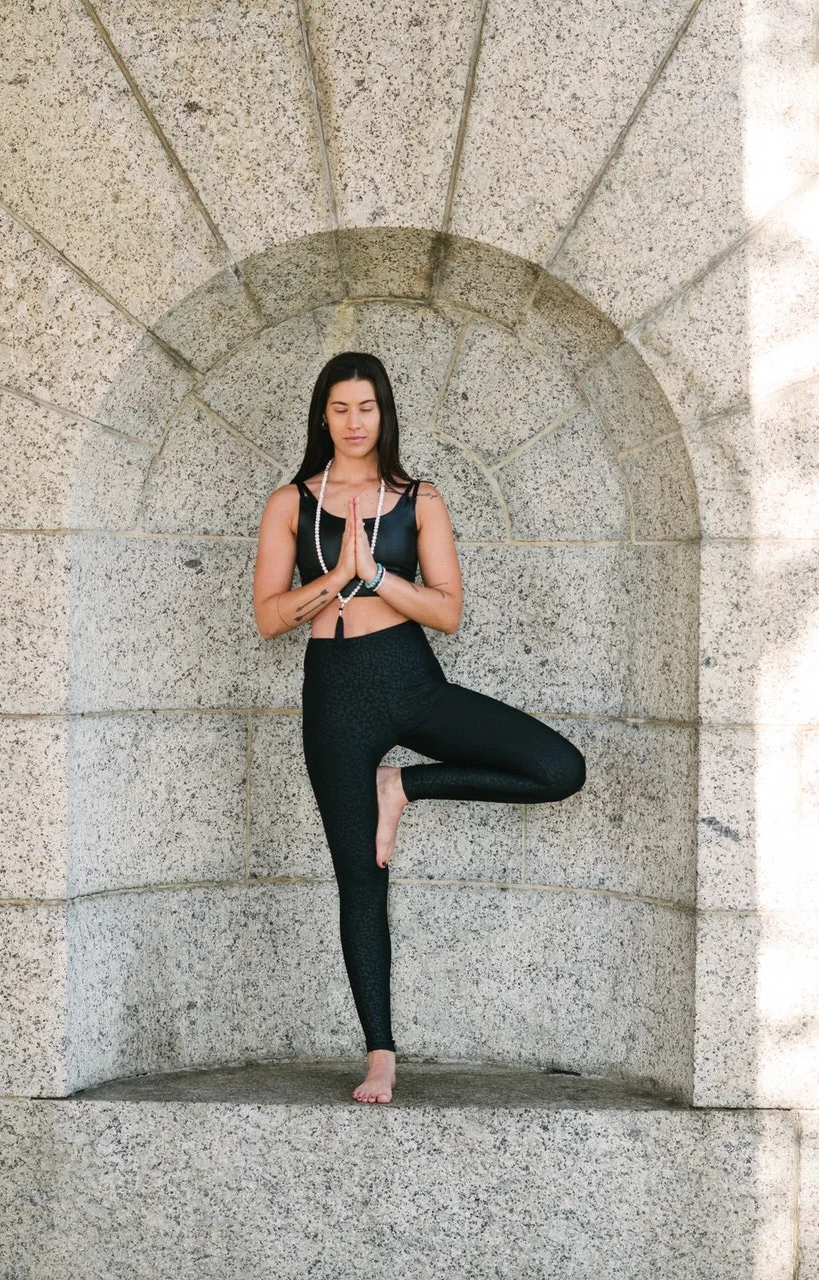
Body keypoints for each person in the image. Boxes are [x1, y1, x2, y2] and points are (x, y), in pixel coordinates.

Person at [250, 351, 588, 1104]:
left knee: (558, 768)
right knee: (360, 878)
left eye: (366, 408)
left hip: (409, 681)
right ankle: (380, 1056)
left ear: (384, 413)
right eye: (340, 409)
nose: (354, 422)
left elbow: (448, 611)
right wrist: (334, 580)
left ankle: (402, 785)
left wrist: (377, 578)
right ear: (322, 416)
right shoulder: (289, 503)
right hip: (333, 697)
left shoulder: (418, 499)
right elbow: (270, 618)